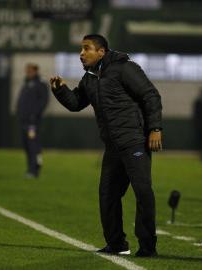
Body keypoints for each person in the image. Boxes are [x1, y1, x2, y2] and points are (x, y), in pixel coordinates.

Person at [50, 34, 162, 257]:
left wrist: (155, 128)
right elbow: (76, 104)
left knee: (143, 193)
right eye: (81, 49)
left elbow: (150, 95)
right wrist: (61, 90)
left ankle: (148, 246)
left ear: (101, 52)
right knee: (108, 196)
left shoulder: (125, 68)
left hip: (134, 142)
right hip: (113, 147)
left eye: (86, 48)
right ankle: (117, 244)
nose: (81, 53)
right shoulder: (90, 78)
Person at [16, 63, 49, 178]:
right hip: (24, 120)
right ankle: (30, 168)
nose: (27, 73)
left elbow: (44, 101)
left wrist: (34, 115)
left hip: (33, 122)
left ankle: (35, 169)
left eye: (29, 71)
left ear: (35, 71)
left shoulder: (40, 83)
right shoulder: (27, 83)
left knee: (33, 145)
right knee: (26, 145)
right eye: (27, 71)